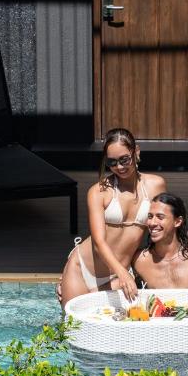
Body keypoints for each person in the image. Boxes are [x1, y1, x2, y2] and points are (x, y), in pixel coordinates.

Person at [58, 128, 166, 306]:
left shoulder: (156, 185)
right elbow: (99, 242)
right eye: (112, 162)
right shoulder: (98, 191)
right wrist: (124, 274)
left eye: (124, 159)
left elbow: (165, 227)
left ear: (136, 152)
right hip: (83, 270)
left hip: (118, 276)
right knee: (72, 329)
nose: (120, 167)